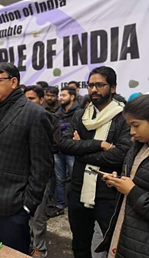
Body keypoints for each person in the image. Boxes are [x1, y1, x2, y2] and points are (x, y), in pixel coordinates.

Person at [0, 62, 54, 254]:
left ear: (13, 82)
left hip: (14, 205)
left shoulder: (35, 114)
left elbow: (43, 166)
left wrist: (27, 206)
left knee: (13, 253)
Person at [60, 66, 132, 258]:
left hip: (107, 194)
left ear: (113, 88)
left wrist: (81, 150)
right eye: (91, 85)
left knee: (112, 246)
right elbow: (65, 145)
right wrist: (99, 144)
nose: (93, 89)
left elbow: (121, 155)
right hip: (78, 191)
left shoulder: (123, 117)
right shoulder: (81, 115)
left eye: (99, 85)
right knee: (79, 245)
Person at [93, 95, 149, 258]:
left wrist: (132, 191)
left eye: (136, 125)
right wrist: (119, 181)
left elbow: (135, 189)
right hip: (129, 232)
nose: (132, 132)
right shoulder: (138, 146)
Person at [24, 85, 60, 257]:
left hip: (40, 174)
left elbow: (55, 144)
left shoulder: (50, 119)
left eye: (31, 99)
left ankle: (39, 248)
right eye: (26, 99)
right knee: (22, 212)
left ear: (41, 100)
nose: (28, 102)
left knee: (38, 214)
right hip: (21, 171)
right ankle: (26, 245)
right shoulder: (21, 118)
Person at [48, 86, 80, 218]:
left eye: (64, 95)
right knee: (60, 179)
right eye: (60, 95)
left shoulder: (79, 112)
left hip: (72, 150)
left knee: (74, 178)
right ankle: (60, 205)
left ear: (72, 97)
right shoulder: (57, 112)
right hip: (59, 150)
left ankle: (75, 204)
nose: (61, 98)